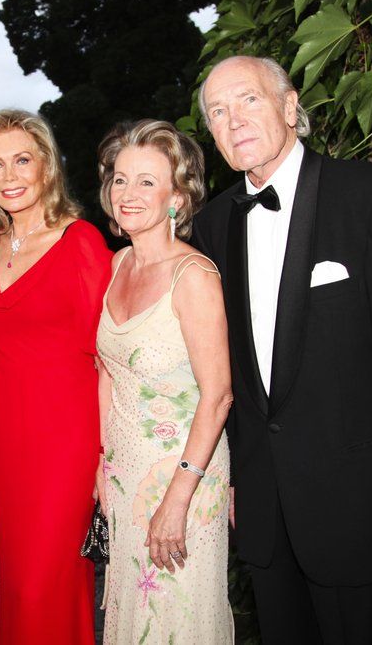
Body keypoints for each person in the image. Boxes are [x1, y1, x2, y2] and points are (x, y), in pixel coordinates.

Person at [190, 55, 372, 644]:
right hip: (264, 512)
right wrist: (234, 479)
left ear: (290, 107)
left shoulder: (369, 196)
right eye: (218, 112)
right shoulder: (212, 226)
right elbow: (227, 371)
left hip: (360, 507)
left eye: (249, 100)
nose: (234, 120)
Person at [0, 109, 111, 644]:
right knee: (17, 576)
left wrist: (107, 455)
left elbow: (108, 356)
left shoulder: (81, 242)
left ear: (47, 166)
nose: (9, 176)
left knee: (43, 581)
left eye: (22, 160)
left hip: (64, 438)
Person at [94, 120, 234, 644]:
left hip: (185, 475)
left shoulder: (194, 276)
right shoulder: (118, 264)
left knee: (178, 618)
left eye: (147, 181)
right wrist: (103, 463)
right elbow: (108, 370)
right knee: (136, 616)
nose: (128, 193)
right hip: (125, 473)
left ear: (178, 197)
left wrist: (178, 498)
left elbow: (218, 397)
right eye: (120, 179)